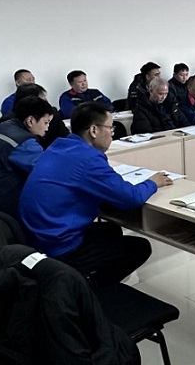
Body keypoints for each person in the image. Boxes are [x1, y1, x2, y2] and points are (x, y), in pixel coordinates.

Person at [18, 102, 173, 285]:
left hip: (36, 235)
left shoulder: (60, 146)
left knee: (111, 230)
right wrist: (153, 182)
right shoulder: (88, 159)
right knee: (140, 247)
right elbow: (130, 197)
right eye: (110, 127)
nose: (112, 133)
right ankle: (89, 288)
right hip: (57, 246)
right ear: (93, 130)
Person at [2, 83, 70, 149]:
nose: (46, 104)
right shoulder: (9, 121)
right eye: (41, 101)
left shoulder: (52, 115)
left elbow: (66, 138)